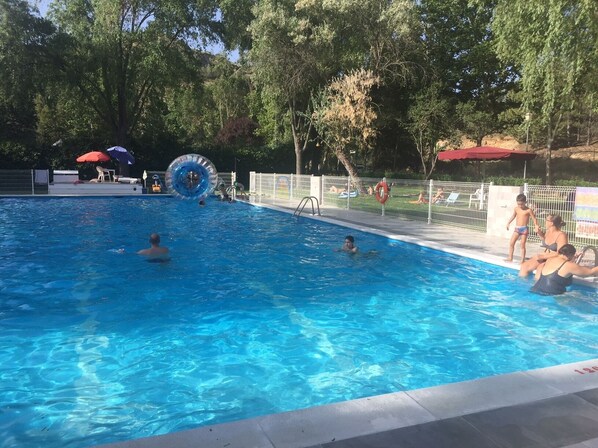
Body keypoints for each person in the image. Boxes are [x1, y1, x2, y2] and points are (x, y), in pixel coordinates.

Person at [530, 244, 598, 295]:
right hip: (551, 295)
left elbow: (566, 266)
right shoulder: (568, 265)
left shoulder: (551, 259)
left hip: (535, 290)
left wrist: (574, 257)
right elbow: (590, 272)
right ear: (571, 255)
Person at [505, 193, 540, 263]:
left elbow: (534, 218)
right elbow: (513, 216)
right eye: (518, 204)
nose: (520, 206)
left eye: (521, 204)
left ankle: (522, 260)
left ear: (525, 202)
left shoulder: (528, 210)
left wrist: (536, 225)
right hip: (517, 228)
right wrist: (508, 223)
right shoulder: (516, 209)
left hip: (524, 229)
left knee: (522, 244)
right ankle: (510, 257)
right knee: (511, 243)